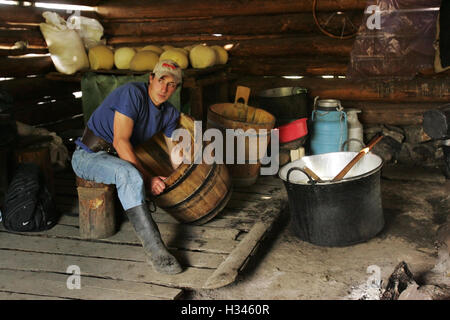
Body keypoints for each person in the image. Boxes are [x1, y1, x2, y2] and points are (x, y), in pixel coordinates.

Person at [71, 59, 183, 274]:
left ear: (176, 88)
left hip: (117, 160)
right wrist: (149, 179)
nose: (164, 88)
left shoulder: (170, 113)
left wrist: (181, 176)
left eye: (171, 85)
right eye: (161, 80)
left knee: (129, 172)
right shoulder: (132, 94)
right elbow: (120, 141)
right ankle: (156, 252)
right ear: (151, 79)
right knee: (130, 174)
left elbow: (174, 155)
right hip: (90, 156)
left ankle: (154, 246)